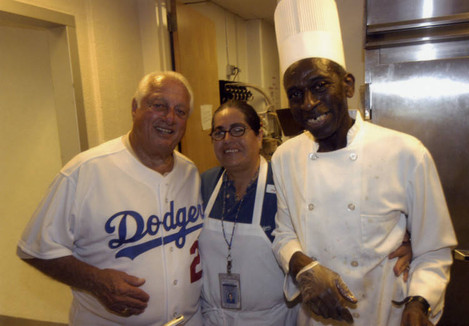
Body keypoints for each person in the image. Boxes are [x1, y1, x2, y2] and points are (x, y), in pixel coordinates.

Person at [271, 1, 458, 326]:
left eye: (319, 86)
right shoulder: (284, 157)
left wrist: (419, 302)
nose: (309, 104)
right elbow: (284, 232)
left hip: (384, 314)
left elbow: (433, 250)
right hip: (315, 320)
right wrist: (303, 265)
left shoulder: (405, 152)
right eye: (296, 94)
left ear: (347, 84)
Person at [198, 100, 412, 326]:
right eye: (219, 133)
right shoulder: (204, 184)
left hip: (273, 319)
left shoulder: (285, 181)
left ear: (259, 135)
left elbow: (340, 222)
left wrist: (404, 238)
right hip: (213, 318)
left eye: (238, 130)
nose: (228, 140)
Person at [17, 71, 204, 326]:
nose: (169, 118)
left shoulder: (190, 173)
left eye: (180, 111)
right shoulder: (85, 171)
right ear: (135, 107)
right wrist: (96, 281)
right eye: (159, 105)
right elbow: (35, 249)